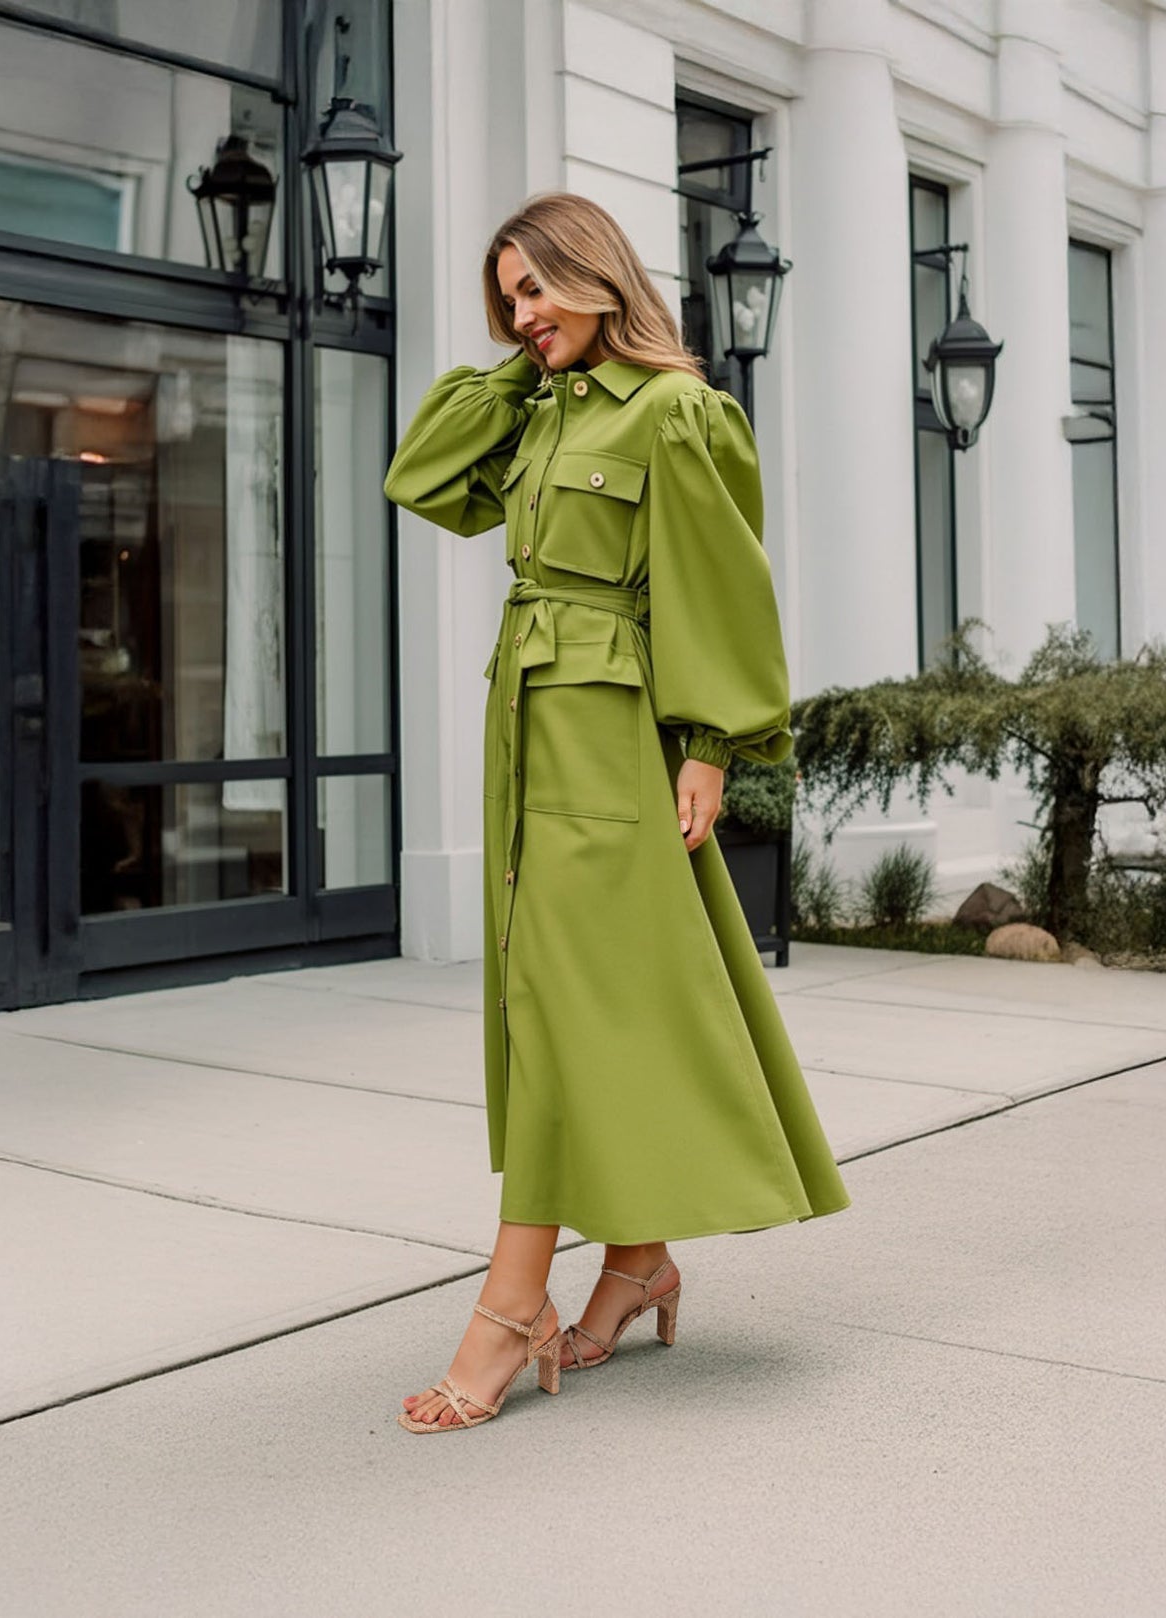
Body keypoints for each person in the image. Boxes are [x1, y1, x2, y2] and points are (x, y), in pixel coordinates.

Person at [383, 192, 849, 1433]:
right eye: (507, 299)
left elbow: (718, 581)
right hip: (525, 722)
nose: (520, 315)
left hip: (612, 730)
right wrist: (515, 372)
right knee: (549, 992)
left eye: (534, 290)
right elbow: (421, 479)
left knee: (553, 999)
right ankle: (635, 1263)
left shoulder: (677, 411)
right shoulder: (537, 413)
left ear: (596, 278)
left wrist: (708, 746)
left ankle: (508, 1304)